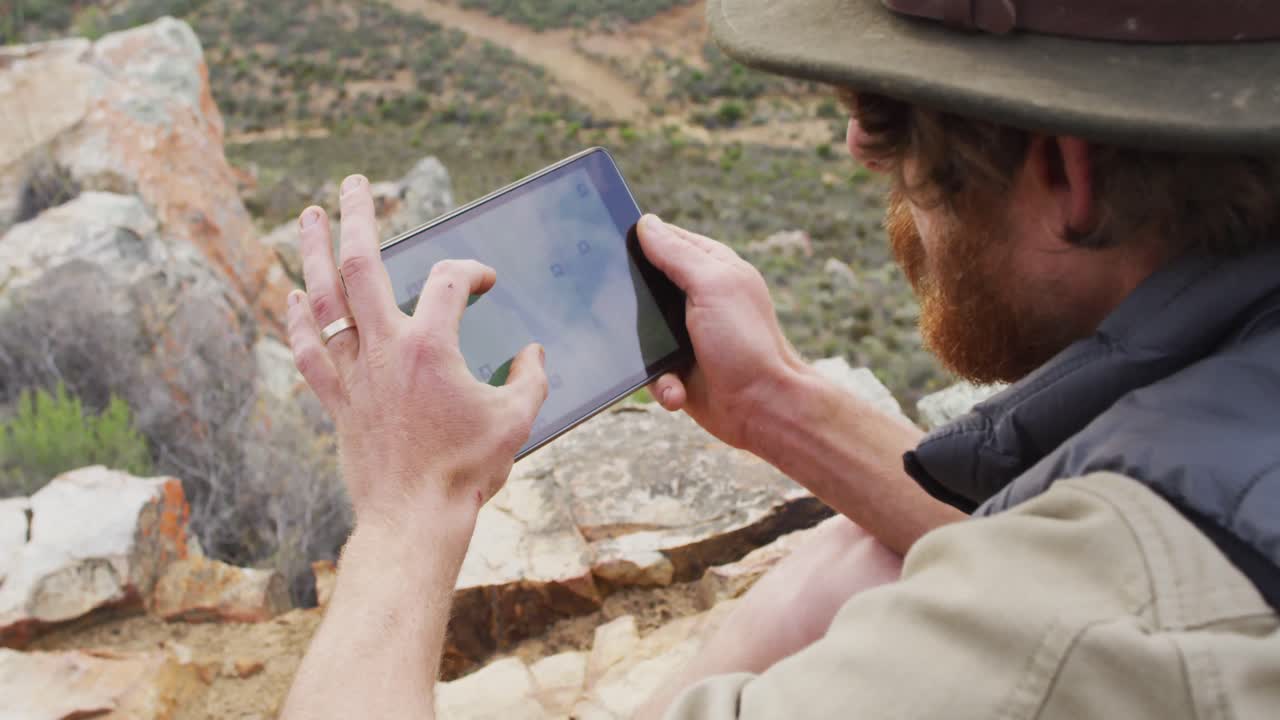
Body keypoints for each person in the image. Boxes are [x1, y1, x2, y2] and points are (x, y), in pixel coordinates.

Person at [279, 0, 1280, 717]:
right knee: (854, 558)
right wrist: (774, 404)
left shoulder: (1068, 625)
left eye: (891, 116)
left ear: (1067, 173)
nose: (854, 143)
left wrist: (408, 509)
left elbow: (1070, 589)